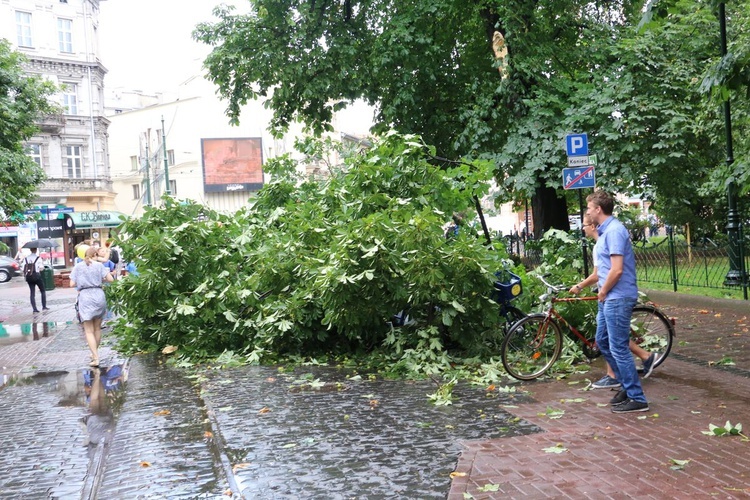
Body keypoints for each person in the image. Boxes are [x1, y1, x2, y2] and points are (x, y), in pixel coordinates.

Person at [573, 191, 648, 413]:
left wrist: (603, 291)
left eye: (588, 208)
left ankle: (637, 397)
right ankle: (626, 385)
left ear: (598, 210)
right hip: (609, 296)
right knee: (602, 341)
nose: (587, 212)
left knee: (618, 347)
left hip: (617, 296)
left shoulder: (615, 231)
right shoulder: (606, 232)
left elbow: (617, 270)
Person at [570, 215, 659, 389]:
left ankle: (628, 384)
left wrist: (585, 287)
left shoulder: (606, 239)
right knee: (606, 339)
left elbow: (611, 271)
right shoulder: (601, 243)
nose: (583, 228)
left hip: (614, 295)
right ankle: (623, 377)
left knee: (615, 340)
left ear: (594, 227)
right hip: (608, 295)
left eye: (585, 225)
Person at [70, 246, 114, 367]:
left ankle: (95, 357)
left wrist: (83, 281)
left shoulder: (78, 267)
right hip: (99, 295)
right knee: (97, 329)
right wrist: (99, 281)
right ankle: (95, 352)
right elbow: (110, 279)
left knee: (88, 331)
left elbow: (71, 283)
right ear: (95, 255)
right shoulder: (100, 266)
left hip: (85, 296)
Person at [24, 248, 48, 313]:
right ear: (36, 250)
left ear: (30, 250)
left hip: (29, 277)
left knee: (32, 293)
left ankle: (34, 309)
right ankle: (44, 306)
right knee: (42, 290)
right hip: (37, 276)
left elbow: (22, 268)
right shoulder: (38, 258)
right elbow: (41, 268)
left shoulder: (26, 258)